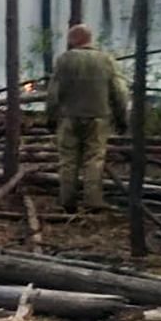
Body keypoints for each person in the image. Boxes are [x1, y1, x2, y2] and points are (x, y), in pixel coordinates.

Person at [46, 23, 128, 212]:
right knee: (94, 159)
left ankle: (67, 201)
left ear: (72, 40)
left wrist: (51, 117)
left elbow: (53, 93)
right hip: (98, 118)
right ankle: (93, 201)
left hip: (69, 118)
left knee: (67, 160)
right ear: (90, 39)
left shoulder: (64, 60)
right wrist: (122, 118)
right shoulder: (105, 60)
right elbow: (120, 91)